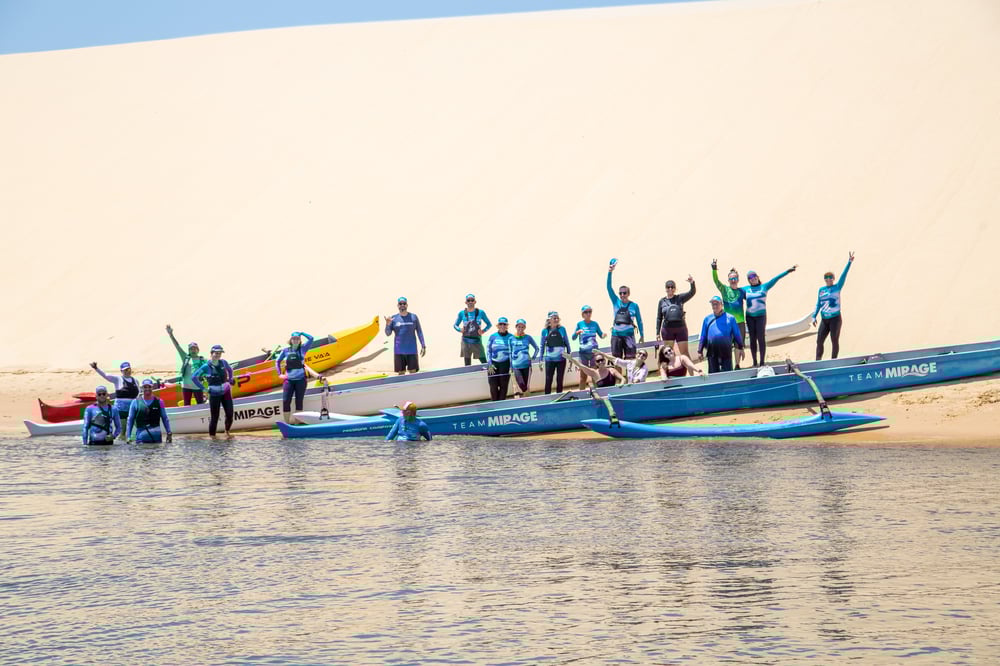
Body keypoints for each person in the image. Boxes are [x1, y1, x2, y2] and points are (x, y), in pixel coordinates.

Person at [740, 265, 798, 367]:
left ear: (757, 277)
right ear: (748, 280)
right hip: (749, 317)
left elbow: (776, 279)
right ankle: (755, 361)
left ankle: (762, 362)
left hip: (761, 317)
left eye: (754, 276)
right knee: (752, 339)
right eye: (750, 278)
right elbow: (733, 290)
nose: (752, 279)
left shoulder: (764, 287)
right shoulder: (745, 289)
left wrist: (787, 271)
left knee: (761, 338)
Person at [813, 252, 855, 360]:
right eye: (826, 277)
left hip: (835, 319)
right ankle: (817, 361)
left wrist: (849, 262)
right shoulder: (821, 290)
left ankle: (833, 360)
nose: (828, 279)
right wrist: (814, 316)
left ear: (833, 279)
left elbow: (844, 275)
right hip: (824, 319)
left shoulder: (837, 287)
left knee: (834, 340)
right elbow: (818, 304)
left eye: (830, 277)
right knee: (819, 340)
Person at [192, 345, 235, 440]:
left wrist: (231, 379)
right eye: (216, 353)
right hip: (214, 394)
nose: (218, 355)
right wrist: (203, 389)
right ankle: (212, 438)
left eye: (219, 353)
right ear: (211, 354)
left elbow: (230, 370)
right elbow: (194, 377)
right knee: (215, 417)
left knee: (230, 414)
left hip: (226, 392)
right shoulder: (206, 367)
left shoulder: (223, 362)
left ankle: (227, 432)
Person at [711, 259, 747, 369]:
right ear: (728, 280)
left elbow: (751, 300)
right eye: (731, 279)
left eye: (735, 278)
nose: (733, 280)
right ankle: (726, 365)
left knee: (738, 344)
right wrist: (714, 270)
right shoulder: (724, 289)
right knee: (726, 344)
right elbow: (716, 281)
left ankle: (737, 365)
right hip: (727, 322)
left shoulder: (742, 291)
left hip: (740, 322)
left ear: (738, 279)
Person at [90, 360, 139, 440]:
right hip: (121, 410)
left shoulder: (135, 381)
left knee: (140, 427)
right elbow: (105, 375)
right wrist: (96, 368)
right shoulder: (117, 379)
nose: (127, 371)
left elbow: (138, 395)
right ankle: (121, 449)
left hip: (133, 409)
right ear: (121, 371)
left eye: (129, 369)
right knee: (123, 432)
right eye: (125, 370)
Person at [275, 331, 317, 424]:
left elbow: (311, 338)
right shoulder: (285, 351)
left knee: (299, 402)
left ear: (300, 340)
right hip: (288, 381)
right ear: (291, 340)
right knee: (286, 401)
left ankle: (297, 423)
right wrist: (279, 374)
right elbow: (277, 361)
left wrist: (302, 333)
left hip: (301, 380)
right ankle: (287, 423)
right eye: (294, 339)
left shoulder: (303, 349)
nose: (296, 340)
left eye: (298, 339)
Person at [697, 296, 745, 373]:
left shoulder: (730, 318)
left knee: (727, 374)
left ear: (722, 305)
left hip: (726, 351)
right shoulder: (707, 319)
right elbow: (703, 335)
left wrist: (741, 348)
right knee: (713, 376)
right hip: (712, 352)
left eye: (717, 304)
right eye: (713, 304)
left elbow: (737, 334)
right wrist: (700, 351)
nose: (715, 306)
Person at [656, 276, 696, 366]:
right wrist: (657, 333)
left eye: (672, 287)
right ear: (665, 288)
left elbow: (692, 292)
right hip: (667, 330)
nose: (670, 289)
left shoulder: (680, 298)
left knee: (685, 354)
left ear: (675, 288)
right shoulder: (662, 301)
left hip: (681, 328)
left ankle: (692, 377)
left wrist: (692, 283)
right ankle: (670, 376)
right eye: (668, 287)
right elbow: (659, 317)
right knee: (669, 354)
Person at [606, 261, 644, 358]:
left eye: (624, 293)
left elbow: (639, 320)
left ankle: (630, 374)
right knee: (616, 360)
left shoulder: (634, 305)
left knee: (631, 360)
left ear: (628, 293)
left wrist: (642, 334)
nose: (622, 295)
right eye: (621, 293)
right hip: (616, 335)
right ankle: (617, 374)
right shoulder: (616, 301)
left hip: (629, 336)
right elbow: (609, 288)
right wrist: (610, 272)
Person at [165, 324, 207, 405]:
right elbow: (177, 346)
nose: (193, 350)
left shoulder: (203, 360)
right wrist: (171, 335)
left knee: (200, 405)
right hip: (186, 387)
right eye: (191, 349)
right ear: (189, 350)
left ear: (198, 350)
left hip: (198, 387)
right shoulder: (185, 358)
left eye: (195, 348)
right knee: (187, 405)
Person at [384, 297, 426, 375]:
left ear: (407, 305)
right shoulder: (393, 318)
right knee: (401, 374)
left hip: (412, 350)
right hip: (399, 351)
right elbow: (388, 333)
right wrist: (387, 324)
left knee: (413, 374)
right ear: (397, 305)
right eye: (400, 304)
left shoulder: (414, 317)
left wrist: (423, 345)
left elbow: (419, 331)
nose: (402, 305)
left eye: (404, 303)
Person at [126, 379, 173, 443]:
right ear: (142, 388)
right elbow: (130, 420)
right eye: (145, 387)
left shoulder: (159, 402)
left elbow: (165, 418)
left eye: (149, 387)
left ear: (152, 387)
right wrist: (128, 436)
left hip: (157, 439)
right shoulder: (135, 402)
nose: (147, 389)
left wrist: (169, 432)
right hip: (141, 440)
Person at [572, 305, 606, 388]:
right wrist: (577, 333)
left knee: (595, 375)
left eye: (590, 311)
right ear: (582, 314)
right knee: (583, 377)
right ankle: (582, 396)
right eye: (586, 312)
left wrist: (604, 335)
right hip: (583, 353)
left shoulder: (595, 324)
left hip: (594, 353)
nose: (588, 314)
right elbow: (573, 338)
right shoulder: (579, 324)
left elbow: (601, 335)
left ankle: (598, 392)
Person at [453, 294, 492, 366]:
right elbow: (455, 325)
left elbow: (489, 324)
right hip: (465, 341)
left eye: (472, 300)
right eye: (468, 300)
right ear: (466, 302)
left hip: (477, 340)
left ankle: (489, 375)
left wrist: (483, 331)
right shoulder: (461, 313)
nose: (470, 302)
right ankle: (468, 376)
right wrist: (460, 330)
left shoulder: (481, 312)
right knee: (467, 363)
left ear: (475, 302)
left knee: (483, 361)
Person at [539, 312, 572, 394]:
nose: (556, 320)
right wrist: (540, 359)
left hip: (561, 359)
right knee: (548, 379)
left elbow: (567, 343)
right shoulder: (545, 331)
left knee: (559, 379)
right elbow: (542, 345)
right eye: (554, 318)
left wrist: (569, 355)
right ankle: (547, 397)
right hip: (549, 360)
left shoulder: (562, 329)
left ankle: (559, 396)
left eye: (557, 318)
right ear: (549, 320)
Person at [509, 319, 539, 398]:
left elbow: (537, 348)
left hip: (527, 365)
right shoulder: (511, 338)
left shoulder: (528, 337)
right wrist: (510, 366)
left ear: (524, 328)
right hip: (516, 365)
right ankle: (527, 395)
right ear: (516, 327)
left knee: (526, 385)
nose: (520, 328)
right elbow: (509, 353)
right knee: (521, 384)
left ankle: (526, 400)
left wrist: (533, 357)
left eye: (522, 327)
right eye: (519, 327)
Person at [486, 317, 514, 401]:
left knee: (504, 386)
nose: (502, 326)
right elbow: (488, 350)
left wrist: (511, 366)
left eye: (504, 324)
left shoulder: (511, 337)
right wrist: (489, 364)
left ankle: (501, 404)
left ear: (507, 326)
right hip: (493, 364)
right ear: (497, 326)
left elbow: (513, 352)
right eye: (500, 324)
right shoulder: (493, 337)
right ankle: (494, 404)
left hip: (505, 364)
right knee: (493, 386)